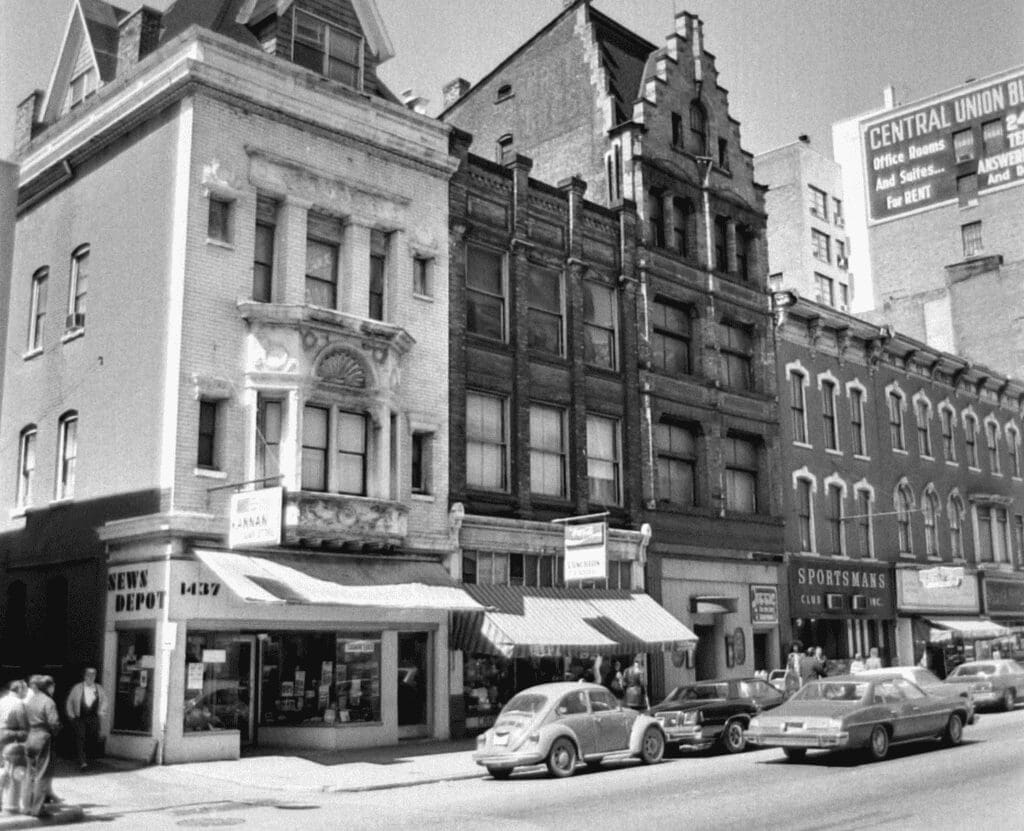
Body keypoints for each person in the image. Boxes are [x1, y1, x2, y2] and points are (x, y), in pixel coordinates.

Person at [23, 675, 60, 818]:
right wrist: (56, 731)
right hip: (43, 737)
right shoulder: (48, 701)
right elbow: (53, 722)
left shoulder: (31, 700)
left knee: (30, 774)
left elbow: (25, 719)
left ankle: (27, 807)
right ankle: (38, 809)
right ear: (48, 687)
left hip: (31, 737)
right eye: (52, 686)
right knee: (42, 774)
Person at [66, 666, 109, 771]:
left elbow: (104, 701)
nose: (91, 677)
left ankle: (89, 758)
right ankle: (83, 762)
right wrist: (71, 715)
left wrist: (101, 711)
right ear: (85, 676)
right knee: (81, 738)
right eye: (89, 675)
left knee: (92, 737)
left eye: (93, 675)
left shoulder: (99, 688)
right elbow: (69, 702)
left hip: (93, 717)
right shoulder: (77, 688)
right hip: (80, 717)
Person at [0, 681, 29, 815]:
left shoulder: (2, 700)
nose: (27, 692)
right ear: (19, 689)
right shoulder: (19, 704)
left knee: (2, 769)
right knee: (10, 771)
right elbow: (24, 727)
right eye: (25, 689)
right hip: (10, 739)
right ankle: (10, 803)